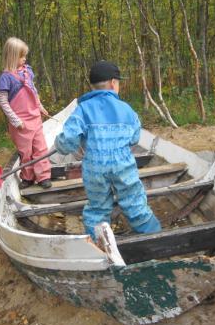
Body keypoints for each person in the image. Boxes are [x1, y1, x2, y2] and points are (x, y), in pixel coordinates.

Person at [54, 60, 161, 239]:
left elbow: (68, 141)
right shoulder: (127, 109)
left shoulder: (82, 109)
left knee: (98, 207)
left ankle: (99, 244)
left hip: (95, 167)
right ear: (113, 83)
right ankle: (155, 237)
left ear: (92, 86)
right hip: (123, 165)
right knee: (135, 202)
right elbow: (134, 137)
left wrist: (61, 144)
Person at [0, 37, 52, 189]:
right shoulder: (5, 78)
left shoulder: (27, 72)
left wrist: (40, 106)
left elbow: (33, 92)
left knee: (40, 148)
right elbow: (3, 102)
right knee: (25, 152)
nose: (25, 59)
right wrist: (15, 120)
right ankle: (27, 178)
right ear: (13, 57)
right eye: (22, 56)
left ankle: (43, 177)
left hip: (35, 117)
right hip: (21, 123)